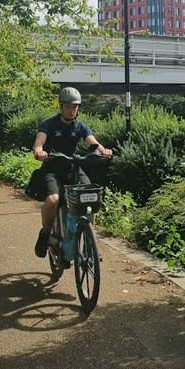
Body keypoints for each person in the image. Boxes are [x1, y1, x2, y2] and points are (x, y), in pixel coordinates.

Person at [32, 86, 112, 258]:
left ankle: (90, 243)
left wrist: (103, 151)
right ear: (61, 107)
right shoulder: (49, 124)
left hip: (72, 168)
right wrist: (39, 151)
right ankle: (45, 232)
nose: (71, 110)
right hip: (52, 169)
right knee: (53, 200)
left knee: (91, 196)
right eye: (68, 106)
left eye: (74, 106)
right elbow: (39, 142)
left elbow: (92, 142)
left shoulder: (79, 126)